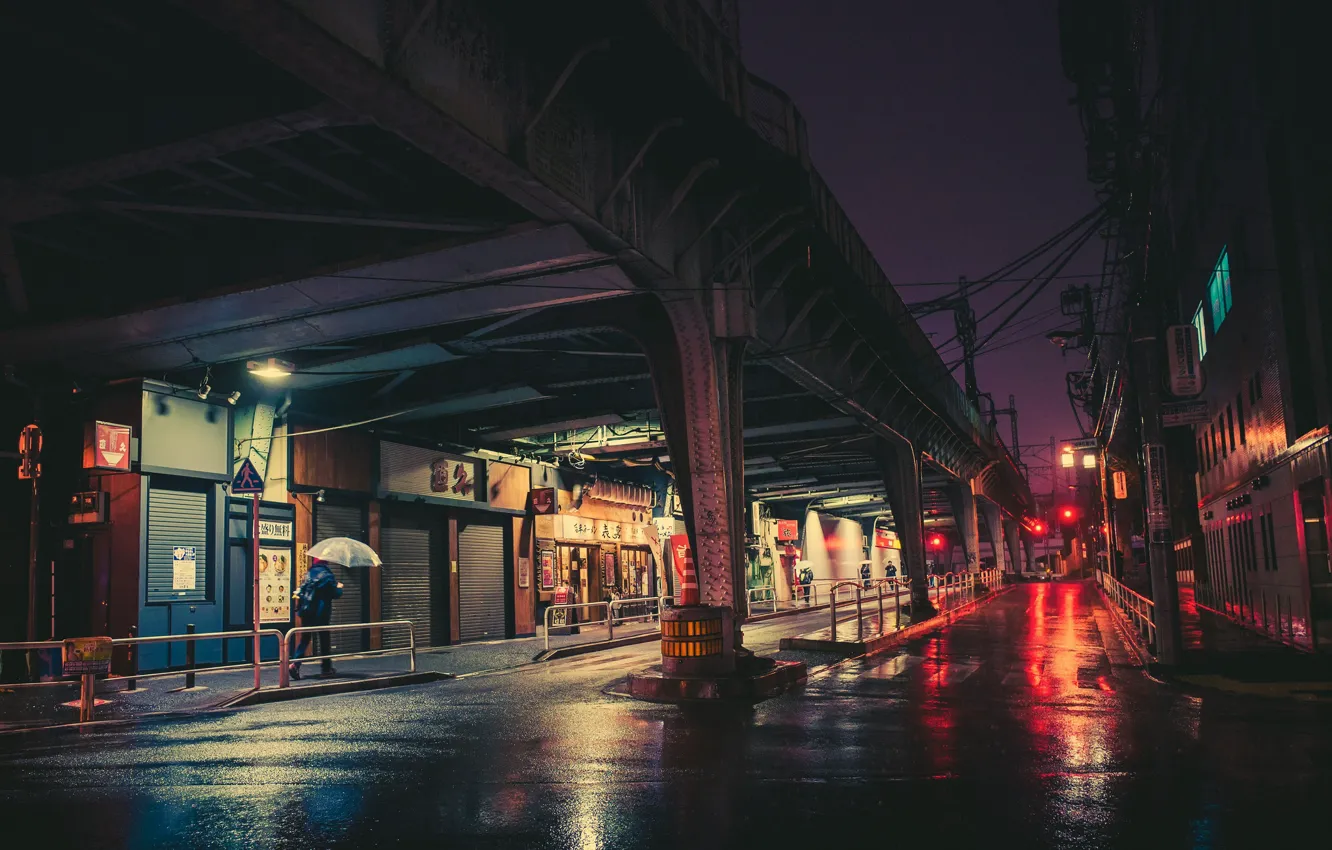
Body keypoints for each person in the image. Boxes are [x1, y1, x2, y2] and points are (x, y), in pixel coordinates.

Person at [289, 559, 343, 680]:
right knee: (324, 641)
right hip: (321, 613)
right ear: (325, 563)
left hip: (307, 612)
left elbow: (301, 591)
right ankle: (326, 669)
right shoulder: (327, 575)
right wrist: (339, 587)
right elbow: (335, 593)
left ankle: (295, 664)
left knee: (305, 639)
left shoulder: (309, 574)